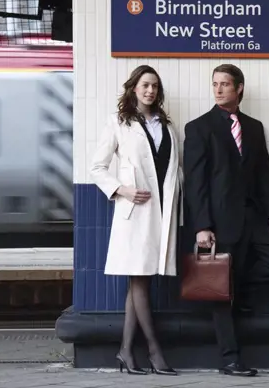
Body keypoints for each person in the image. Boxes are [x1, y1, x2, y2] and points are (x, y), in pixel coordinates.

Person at [183, 63, 269, 377]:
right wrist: (201, 226)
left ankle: (242, 290)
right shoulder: (198, 128)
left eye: (225, 84)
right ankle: (230, 359)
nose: (219, 89)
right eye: (215, 84)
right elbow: (195, 183)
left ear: (239, 89)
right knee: (220, 292)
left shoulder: (254, 127)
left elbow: (264, 174)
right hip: (219, 223)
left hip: (253, 217)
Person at [89, 65, 181, 377]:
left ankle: (126, 351)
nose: (150, 91)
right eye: (145, 85)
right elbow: (97, 167)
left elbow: (173, 172)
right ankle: (155, 350)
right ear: (133, 88)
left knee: (139, 281)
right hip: (134, 213)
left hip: (161, 213)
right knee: (140, 279)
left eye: (155, 86)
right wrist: (122, 190)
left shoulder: (167, 126)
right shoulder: (118, 123)